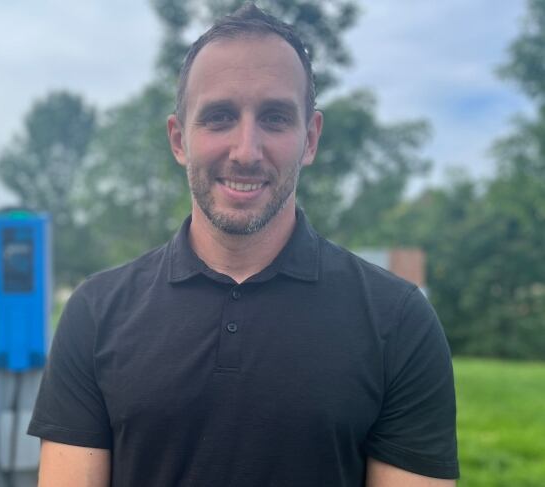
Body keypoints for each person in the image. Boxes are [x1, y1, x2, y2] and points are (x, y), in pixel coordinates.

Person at [28, 3, 459, 486]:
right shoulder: (96, 312)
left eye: (275, 118)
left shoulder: (397, 322)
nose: (246, 151)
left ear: (310, 138)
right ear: (178, 139)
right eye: (219, 117)